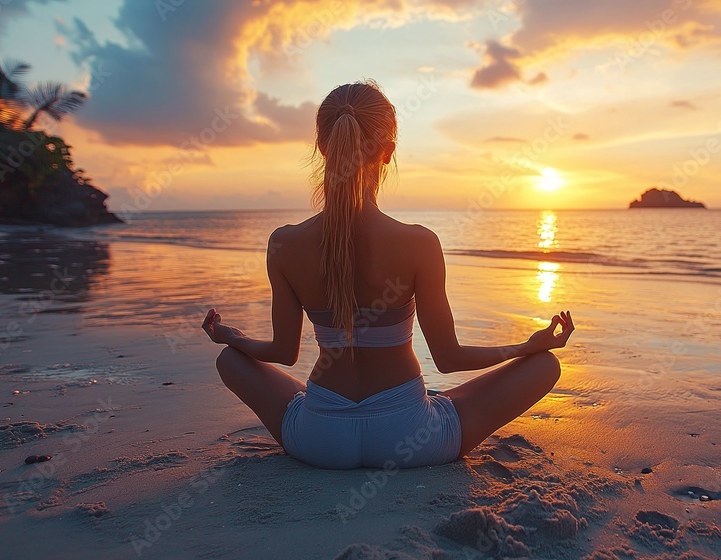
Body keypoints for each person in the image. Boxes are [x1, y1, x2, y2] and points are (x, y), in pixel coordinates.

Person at [202, 80, 574, 469]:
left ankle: (328, 413)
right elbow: (448, 358)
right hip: (411, 438)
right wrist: (526, 347)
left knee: (230, 359)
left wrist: (235, 337)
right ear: (388, 152)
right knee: (546, 365)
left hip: (318, 440)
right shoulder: (418, 243)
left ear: (322, 147)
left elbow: (284, 353)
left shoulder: (284, 243)